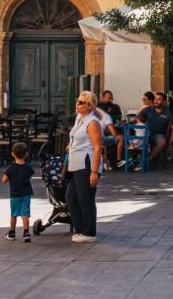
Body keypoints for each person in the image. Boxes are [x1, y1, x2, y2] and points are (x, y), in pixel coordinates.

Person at [64, 90, 104, 243]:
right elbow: (76, 136)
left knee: (85, 199)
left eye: (81, 102)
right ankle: (81, 230)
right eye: (77, 100)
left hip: (86, 163)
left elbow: (97, 147)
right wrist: (71, 145)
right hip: (76, 163)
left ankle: (89, 232)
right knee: (71, 198)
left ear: (89, 105)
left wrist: (94, 172)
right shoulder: (79, 118)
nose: (77, 104)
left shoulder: (92, 122)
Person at [2, 141, 34, 242]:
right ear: (26, 154)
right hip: (26, 194)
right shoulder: (28, 166)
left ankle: (12, 233)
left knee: (14, 214)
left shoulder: (11, 168)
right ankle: (26, 233)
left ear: (12, 154)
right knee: (25, 214)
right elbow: (30, 176)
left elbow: (4, 180)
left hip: (15, 194)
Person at [139, 92, 173, 164]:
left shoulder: (167, 113)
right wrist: (142, 123)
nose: (156, 101)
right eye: (155, 99)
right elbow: (138, 118)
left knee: (162, 141)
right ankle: (133, 161)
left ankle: (149, 160)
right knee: (129, 139)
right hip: (145, 133)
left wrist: (170, 144)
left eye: (159, 99)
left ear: (164, 101)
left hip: (157, 135)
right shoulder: (148, 109)